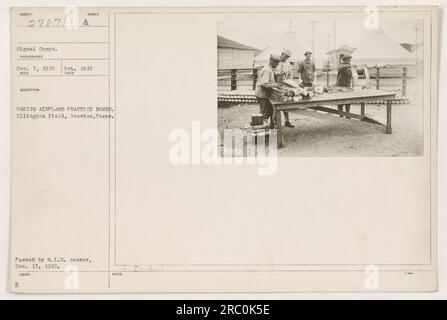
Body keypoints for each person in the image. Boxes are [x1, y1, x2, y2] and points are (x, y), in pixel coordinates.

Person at [255, 54, 281, 129]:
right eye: (277, 63)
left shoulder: (269, 69)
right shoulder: (267, 70)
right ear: (272, 62)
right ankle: (262, 132)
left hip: (265, 94)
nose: (278, 64)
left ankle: (270, 128)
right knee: (264, 114)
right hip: (262, 95)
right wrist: (275, 85)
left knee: (270, 111)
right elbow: (264, 84)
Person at [275, 48, 294, 128]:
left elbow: (290, 75)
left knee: (285, 103)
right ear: (281, 54)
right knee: (275, 105)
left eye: (287, 57)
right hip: (275, 85)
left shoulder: (288, 64)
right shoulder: (275, 62)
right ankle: (275, 123)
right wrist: (278, 74)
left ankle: (287, 121)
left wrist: (290, 83)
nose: (285, 58)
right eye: (285, 56)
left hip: (285, 85)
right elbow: (271, 72)